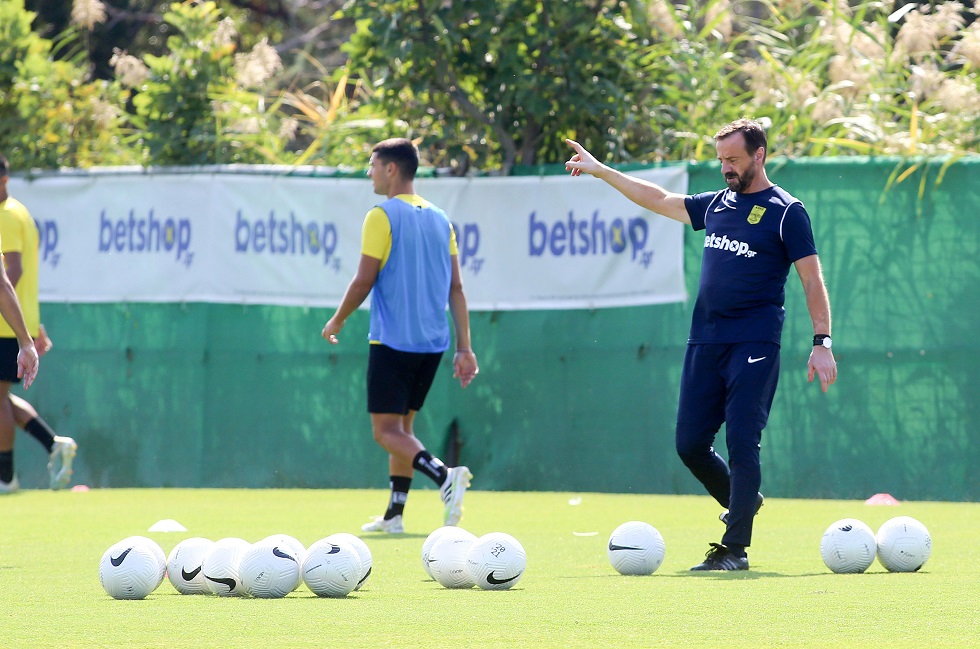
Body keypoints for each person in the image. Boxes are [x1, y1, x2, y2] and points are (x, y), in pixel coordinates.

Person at [565, 118, 837, 570]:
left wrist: (821, 341)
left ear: (759, 155)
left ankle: (735, 549)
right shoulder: (717, 204)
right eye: (721, 160)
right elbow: (658, 198)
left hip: (754, 340)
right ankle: (743, 498)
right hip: (705, 339)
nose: (726, 169)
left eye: (734, 160)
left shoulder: (787, 211)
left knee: (743, 441)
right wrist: (600, 169)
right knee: (690, 443)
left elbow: (811, 277)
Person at [322, 138, 479, 533]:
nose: (369, 171)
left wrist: (338, 319)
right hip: (433, 344)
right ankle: (394, 514)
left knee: (386, 431)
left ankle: (444, 476)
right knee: (402, 431)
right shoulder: (441, 218)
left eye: (373, 164)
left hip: (393, 341)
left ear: (392, 169)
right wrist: (465, 347)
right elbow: (456, 289)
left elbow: (363, 279)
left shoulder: (381, 215)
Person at [0, 155, 74, 494]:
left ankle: (5, 478)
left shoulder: (6, 216)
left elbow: (10, 274)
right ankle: (53, 443)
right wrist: (31, 326)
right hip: (17, 321)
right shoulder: (20, 212)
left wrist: (26, 332)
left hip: (5, 324)